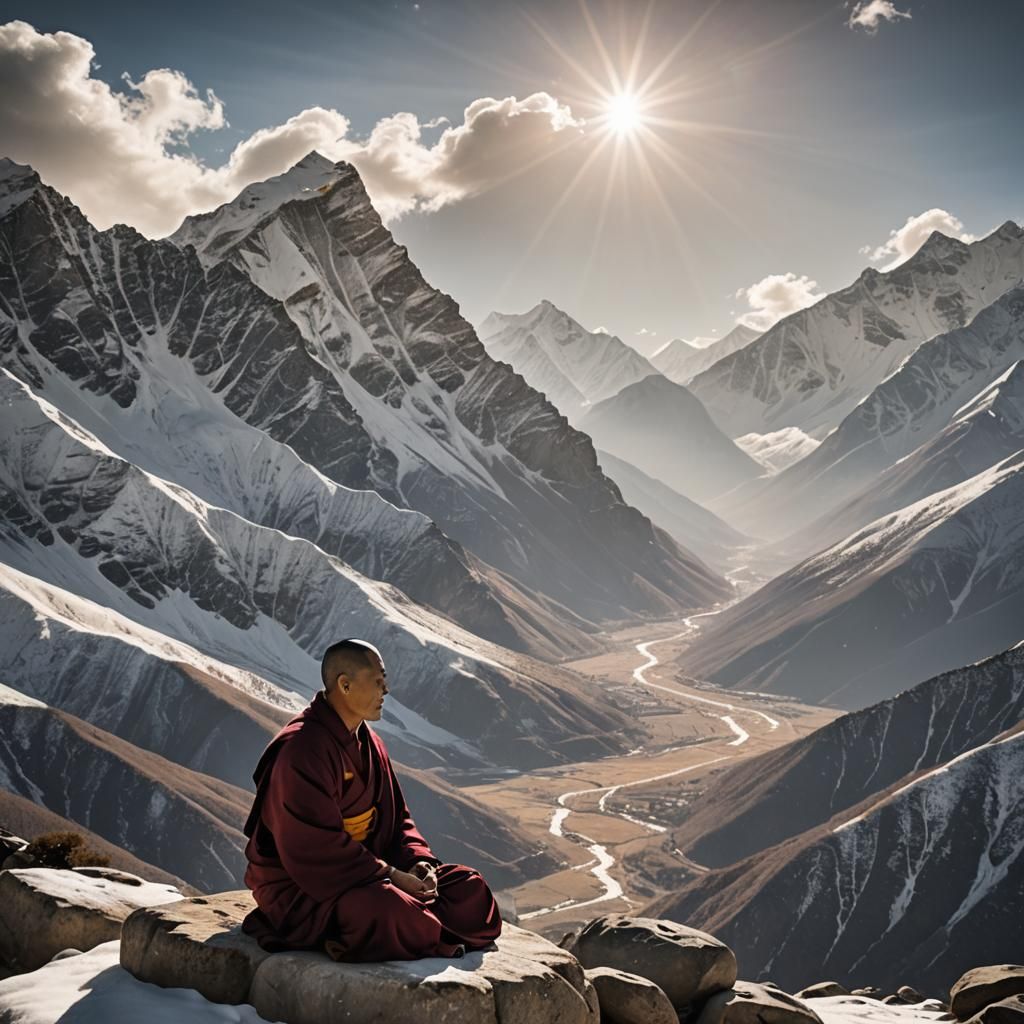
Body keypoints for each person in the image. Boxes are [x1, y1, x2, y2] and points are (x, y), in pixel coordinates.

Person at [241, 638, 502, 961]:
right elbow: (314, 848)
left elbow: (397, 822)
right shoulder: (301, 750)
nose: (386, 691)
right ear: (345, 685)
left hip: (370, 873)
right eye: (378, 681)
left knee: (469, 887)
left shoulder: (370, 743)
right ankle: (419, 926)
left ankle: (419, 927)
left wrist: (418, 865)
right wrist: (390, 875)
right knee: (387, 908)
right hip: (307, 887)